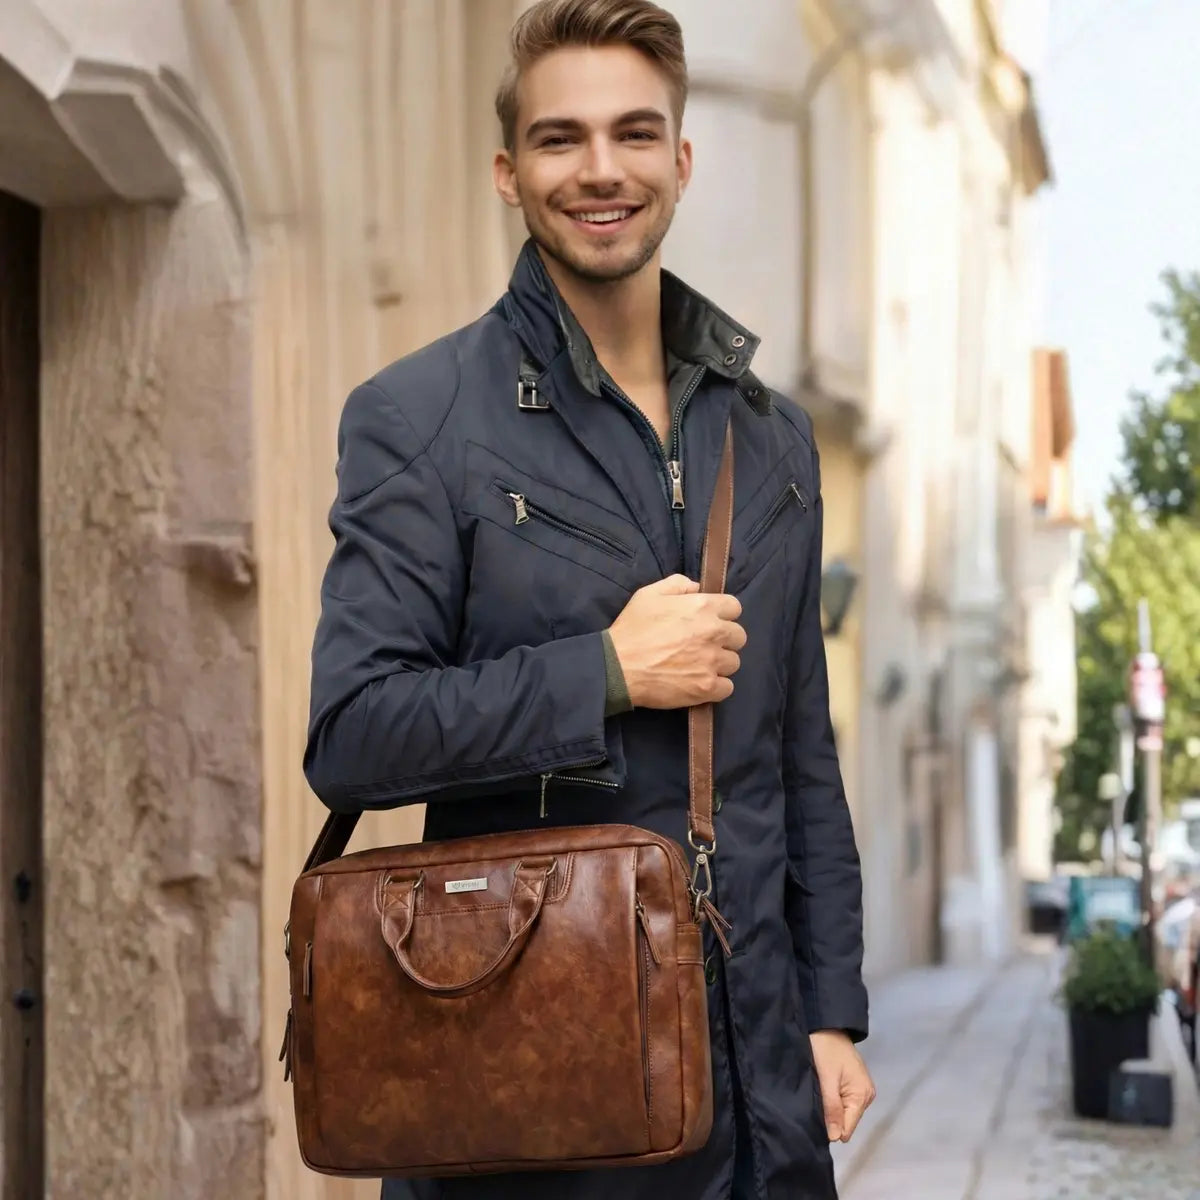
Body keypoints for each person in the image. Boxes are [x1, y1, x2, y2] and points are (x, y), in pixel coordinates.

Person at [304, 1, 874, 1196]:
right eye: (561, 139)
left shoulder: (771, 439)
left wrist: (831, 1011)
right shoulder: (420, 419)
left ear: (681, 158)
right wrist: (607, 672)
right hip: (539, 1080)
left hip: (761, 1081)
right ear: (511, 174)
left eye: (633, 133)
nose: (600, 169)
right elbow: (354, 735)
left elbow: (797, 751)